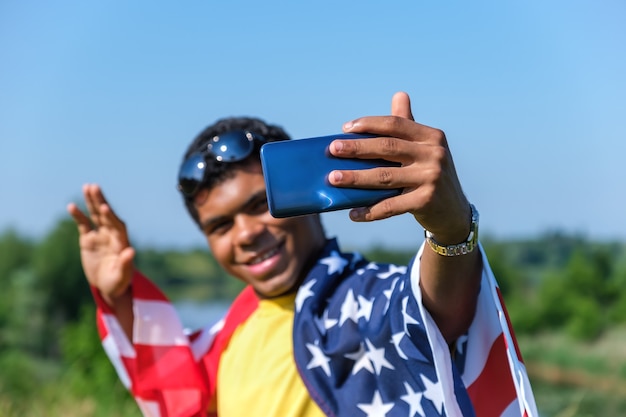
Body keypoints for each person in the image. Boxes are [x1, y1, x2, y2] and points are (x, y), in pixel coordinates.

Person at [67, 92, 538, 417]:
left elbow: (435, 313)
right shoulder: (225, 338)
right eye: (220, 226)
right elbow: (175, 390)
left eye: (259, 206)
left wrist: (450, 228)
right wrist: (121, 298)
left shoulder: (361, 298)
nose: (246, 233)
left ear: (308, 199)